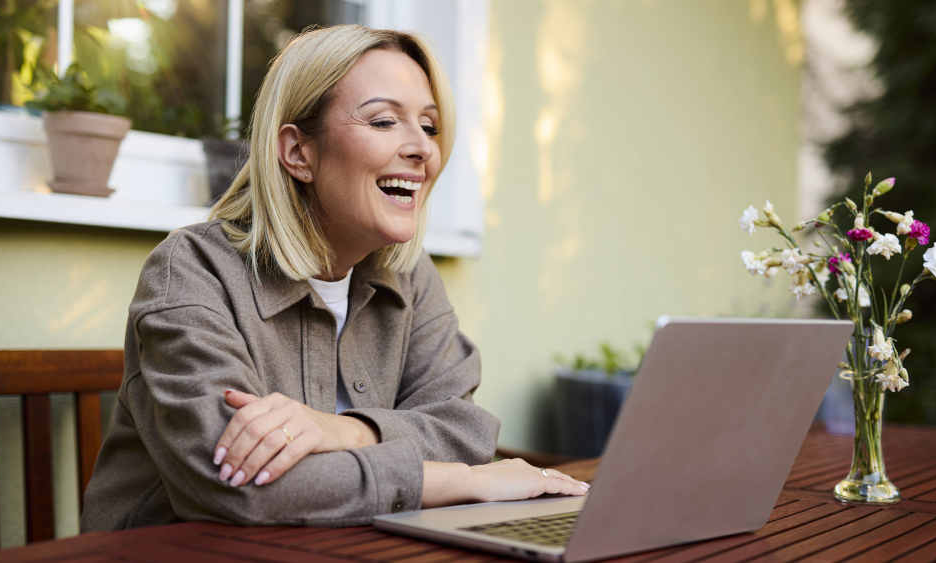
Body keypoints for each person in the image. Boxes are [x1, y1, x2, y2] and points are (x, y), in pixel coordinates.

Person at [81, 25, 587, 531]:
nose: (421, 149)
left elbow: (461, 431)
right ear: (298, 153)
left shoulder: (409, 273)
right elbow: (239, 484)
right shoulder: (192, 272)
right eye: (385, 121)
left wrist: (343, 431)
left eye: (429, 126)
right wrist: (463, 482)